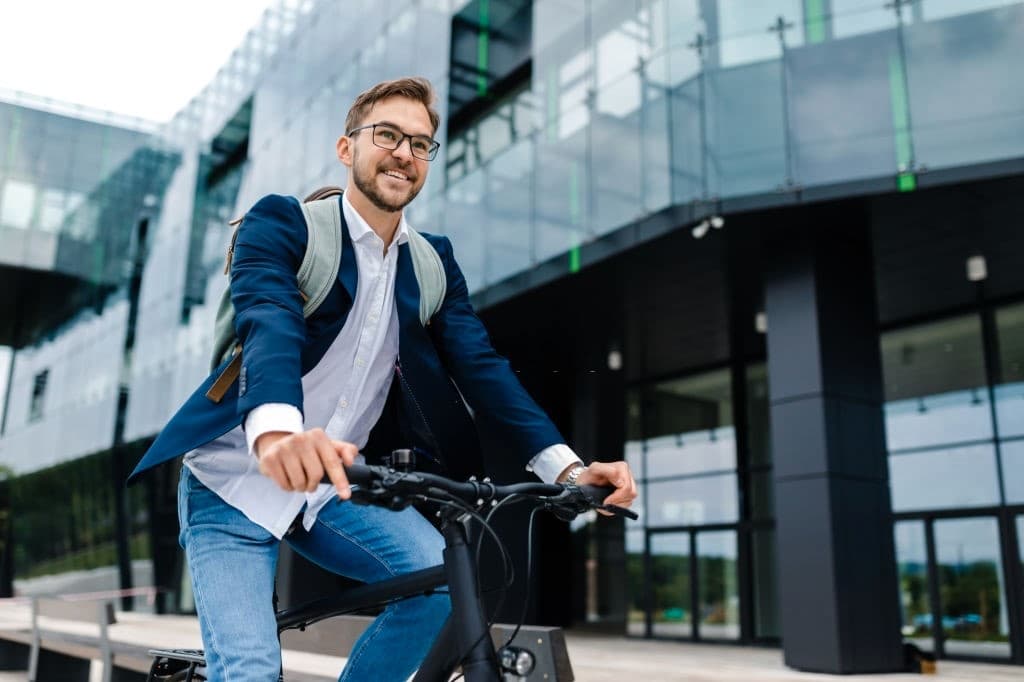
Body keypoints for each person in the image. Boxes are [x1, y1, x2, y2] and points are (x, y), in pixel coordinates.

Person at [129, 76, 636, 681]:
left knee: (442, 589)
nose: (404, 153)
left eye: (420, 144)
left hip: (333, 488)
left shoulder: (432, 262)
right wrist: (277, 436)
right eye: (389, 135)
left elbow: (484, 370)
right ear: (348, 149)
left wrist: (568, 470)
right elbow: (270, 326)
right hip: (231, 478)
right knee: (251, 671)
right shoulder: (283, 225)